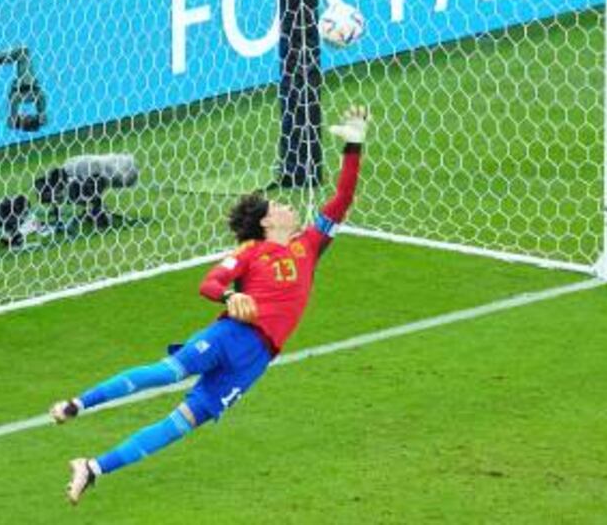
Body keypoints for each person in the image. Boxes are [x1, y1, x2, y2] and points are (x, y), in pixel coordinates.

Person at [49, 105, 371, 505]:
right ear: (268, 223)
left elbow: (343, 198)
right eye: (279, 206)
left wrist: (354, 144)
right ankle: (77, 404)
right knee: (167, 373)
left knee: (181, 423)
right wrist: (232, 295)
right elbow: (210, 283)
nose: (288, 207)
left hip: (257, 358)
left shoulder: (310, 245)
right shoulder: (251, 252)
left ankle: (93, 468)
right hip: (232, 334)